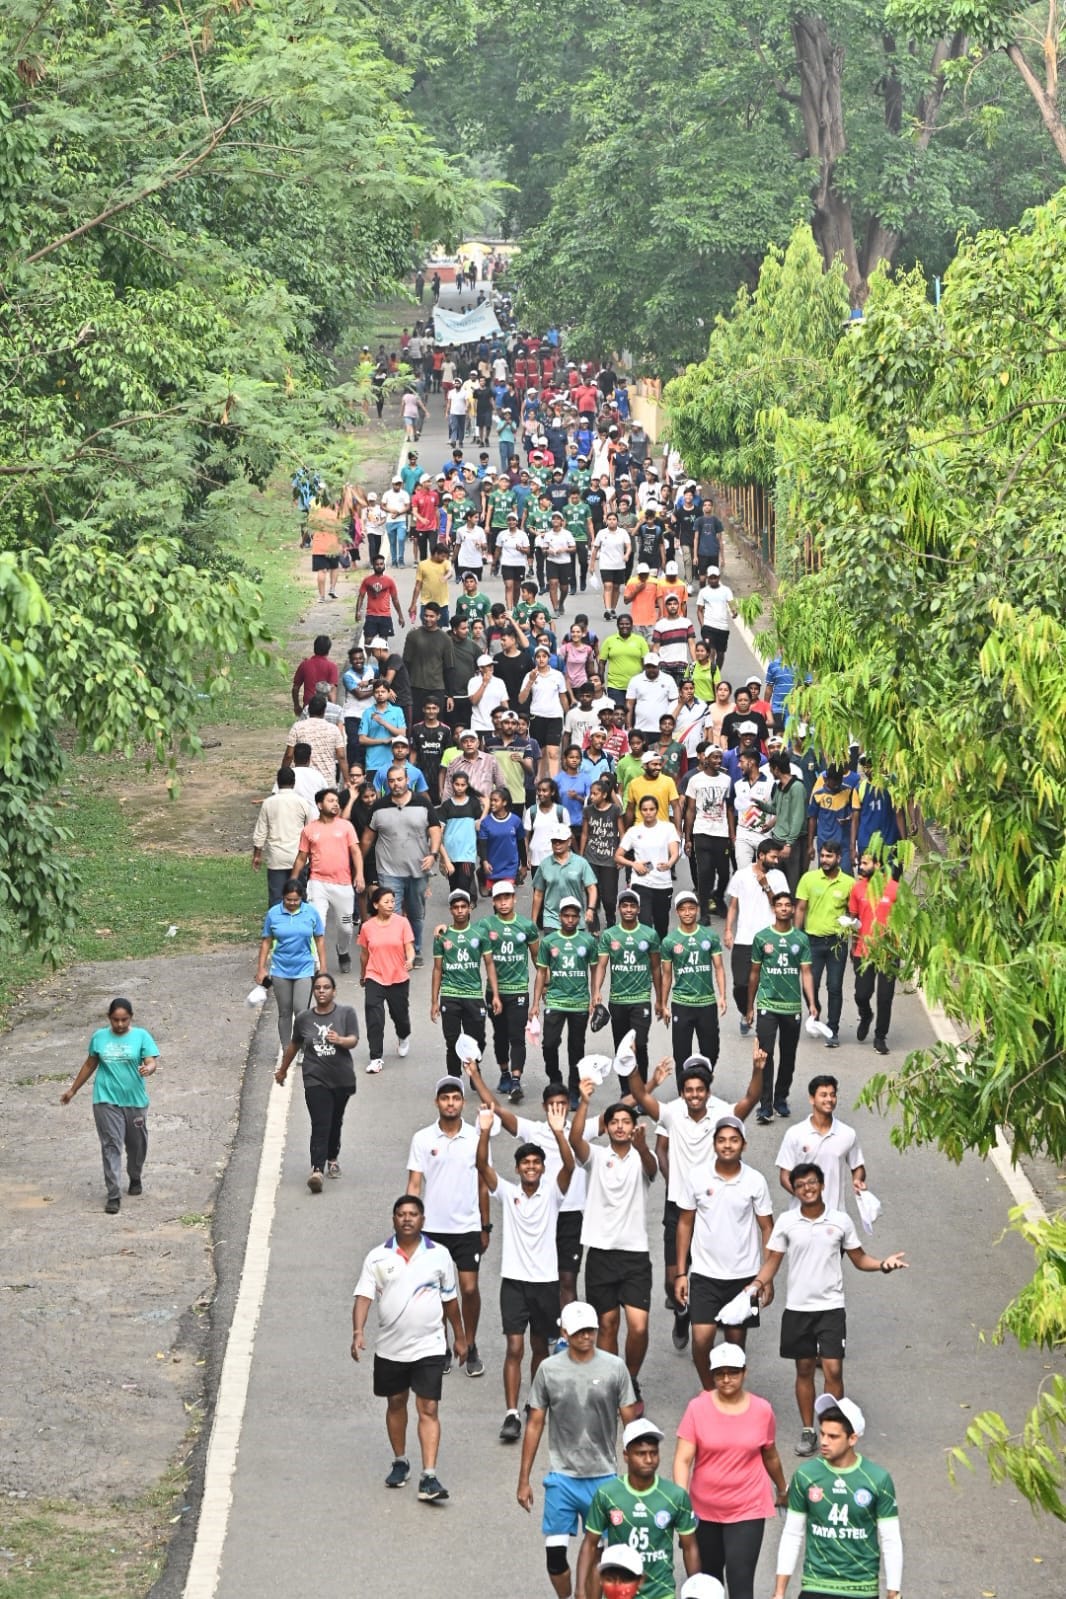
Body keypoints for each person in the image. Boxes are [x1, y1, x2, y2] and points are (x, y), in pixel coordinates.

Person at [749, 1163, 907, 1454]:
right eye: (800, 1185)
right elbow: (773, 1260)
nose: (807, 1188)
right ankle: (809, 1430)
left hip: (831, 1307)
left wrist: (883, 1265)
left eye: (812, 1183)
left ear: (822, 1186)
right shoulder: (786, 1221)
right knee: (805, 1368)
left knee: (833, 1369)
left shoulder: (840, 1221)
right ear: (794, 1190)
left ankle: (832, 1430)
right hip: (797, 1308)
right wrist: (758, 1283)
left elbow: (859, 1259)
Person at [629, 1055, 765, 1348]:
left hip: (709, 1207)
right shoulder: (671, 1113)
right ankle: (683, 1312)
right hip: (677, 1205)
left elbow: (752, 1098)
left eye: (699, 1089)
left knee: (712, 1269)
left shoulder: (721, 1114)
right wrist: (632, 1063)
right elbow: (640, 1095)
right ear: (681, 1092)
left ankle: (708, 1314)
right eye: (689, 1090)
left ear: (708, 1090)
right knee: (671, 1279)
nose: (694, 1095)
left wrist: (757, 1069)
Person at [517, 1300, 640, 1599]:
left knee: (598, 1557)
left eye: (590, 1330)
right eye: (579, 1331)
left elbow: (631, 1423)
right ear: (564, 1332)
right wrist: (524, 1479)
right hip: (562, 1477)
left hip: (604, 1478)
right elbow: (535, 1423)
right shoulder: (548, 1370)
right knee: (555, 1556)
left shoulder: (614, 1368)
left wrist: (638, 1479)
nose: (586, 1336)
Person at [351, 1195, 466, 1502]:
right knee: (396, 1402)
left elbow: (450, 1300)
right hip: (390, 1348)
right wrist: (358, 1330)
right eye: (401, 1214)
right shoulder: (377, 1257)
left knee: (428, 1407)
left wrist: (460, 1336)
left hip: (430, 1345)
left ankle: (429, 1476)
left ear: (422, 1220)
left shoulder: (439, 1256)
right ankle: (400, 1460)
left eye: (413, 1214)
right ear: (393, 1220)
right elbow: (364, 1296)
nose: (407, 1218)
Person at [476, 1100, 574, 1442]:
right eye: (525, 1163)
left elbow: (570, 1166)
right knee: (514, 1348)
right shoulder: (509, 1193)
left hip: (545, 1284)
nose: (531, 1167)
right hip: (514, 1283)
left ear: (542, 1169)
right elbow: (481, 1166)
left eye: (536, 1163)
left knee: (539, 1348)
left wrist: (560, 1133)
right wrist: (486, 1132)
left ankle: (535, 1403)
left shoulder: (553, 1195)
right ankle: (511, 1413)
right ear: (517, 1169)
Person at [673, 1346, 787, 1599]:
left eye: (733, 1372)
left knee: (741, 1582)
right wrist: (682, 1504)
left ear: (744, 1373)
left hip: (747, 1507)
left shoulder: (762, 1410)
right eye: (720, 1373)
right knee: (708, 1583)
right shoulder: (697, 1408)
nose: (726, 1379)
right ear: (712, 1376)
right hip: (704, 1509)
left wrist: (782, 1488)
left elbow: (770, 1454)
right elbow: (683, 1459)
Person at [569, 1079, 657, 1394]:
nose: (620, 1127)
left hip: (634, 1254)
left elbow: (651, 1169)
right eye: (614, 1122)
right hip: (601, 1254)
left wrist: (643, 1146)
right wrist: (584, 1101)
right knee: (606, 1325)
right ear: (607, 1128)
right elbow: (574, 1138)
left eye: (626, 1122)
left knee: (638, 1326)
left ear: (634, 1127)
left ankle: (629, 1377)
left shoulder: (641, 1157)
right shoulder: (595, 1157)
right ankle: (611, 1381)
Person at [674, 1116, 775, 1384]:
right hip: (705, 1274)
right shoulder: (697, 1177)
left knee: (736, 1343)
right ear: (714, 1145)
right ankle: (710, 1393)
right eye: (721, 1140)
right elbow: (685, 1223)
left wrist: (765, 1278)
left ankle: (731, 1391)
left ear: (744, 1144)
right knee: (701, 1339)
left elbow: (767, 1228)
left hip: (745, 1276)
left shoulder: (755, 1181)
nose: (727, 1146)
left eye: (733, 1140)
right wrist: (681, 1273)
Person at [772, 1395, 903, 1599]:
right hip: (816, 1585)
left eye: (833, 1437)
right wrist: (779, 1592)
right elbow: (792, 1534)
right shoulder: (805, 1476)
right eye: (822, 1434)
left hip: (862, 1588)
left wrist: (893, 1591)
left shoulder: (877, 1479)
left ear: (852, 1439)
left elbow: (891, 1539)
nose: (823, 1442)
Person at [406, 1075, 491, 1378]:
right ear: (437, 1103)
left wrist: (485, 1224)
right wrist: (410, 1225)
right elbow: (415, 1184)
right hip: (433, 1229)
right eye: (445, 1098)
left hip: (467, 1227)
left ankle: (470, 1342)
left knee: (468, 1289)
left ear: (462, 1103)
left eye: (455, 1098)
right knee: (437, 1292)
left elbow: (483, 1182)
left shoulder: (477, 1137)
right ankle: (442, 1345)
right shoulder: (423, 1140)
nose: (450, 1103)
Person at [578, 1421, 699, 1599]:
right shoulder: (607, 1494)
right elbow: (590, 1544)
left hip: (661, 1592)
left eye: (653, 1453)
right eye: (641, 1454)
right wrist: (580, 1590)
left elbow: (690, 1548)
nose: (649, 1459)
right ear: (626, 1455)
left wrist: (697, 1589)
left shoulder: (675, 1496)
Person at [61, 997, 160, 1214]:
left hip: (134, 1100)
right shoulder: (99, 1037)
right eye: (116, 1020)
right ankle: (113, 1194)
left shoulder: (141, 1036)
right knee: (111, 1145)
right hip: (105, 1100)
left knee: (137, 1145)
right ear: (109, 1018)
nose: (120, 1024)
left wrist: (148, 1068)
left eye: (124, 1019)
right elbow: (90, 1064)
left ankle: (135, 1175)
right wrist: (73, 1090)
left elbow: (151, 1060)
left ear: (131, 1018)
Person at [274, 974, 359, 1191]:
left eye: (326, 987)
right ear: (314, 992)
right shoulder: (304, 1018)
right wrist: (283, 1070)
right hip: (315, 1078)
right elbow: (294, 1044)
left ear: (334, 991)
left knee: (335, 1120)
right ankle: (317, 1170)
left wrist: (340, 1040)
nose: (322, 991)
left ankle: (332, 1158)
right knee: (320, 1122)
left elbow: (354, 1040)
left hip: (341, 1078)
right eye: (318, 988)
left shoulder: (346, 1013)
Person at [747, 889, 818, 1124]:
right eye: (780, 905)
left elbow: (806, 972)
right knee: (765, 1055)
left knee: (789, 1056)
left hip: (791, 1005)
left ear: (792, 909)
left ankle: (781, 1099)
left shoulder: (801, 939)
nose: (785, 908)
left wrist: (812, 1003)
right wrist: (750, 1007)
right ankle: (765, 1105)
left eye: (788, 905)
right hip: (767, 1004)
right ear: (774, 909)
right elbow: (754, 974)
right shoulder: (762, 938)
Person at [361, 764, 442, 966]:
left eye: (399, 779)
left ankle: (415, 950)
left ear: (407, 780)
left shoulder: (422, 803)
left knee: (415, 914)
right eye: (391, 781)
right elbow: (367, 839)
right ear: (387, 783)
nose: (396, 784)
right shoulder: (379, 807)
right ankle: (396, 953)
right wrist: (357, 866)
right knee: (391, 913)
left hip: (418, 870)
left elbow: (435, 830)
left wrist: (433, 854)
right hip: (389, 871)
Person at [589, 888, 662, 1086]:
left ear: (638, 909)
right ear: (619, 908)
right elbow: (602, 966)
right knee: (621, 1047)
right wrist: (596, 992)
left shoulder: (650, 934)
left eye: (632, 906)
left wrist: (660, 1000)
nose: (628, 909)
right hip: (617, 1000)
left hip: (641, 999)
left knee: (639, 1044)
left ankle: (641, 1089)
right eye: (625, 905)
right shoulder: (609, 935)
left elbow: (656, 968)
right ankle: (625, 1090)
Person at [533, 897, 599, 1105]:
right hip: (555, 1000)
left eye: (574, 916)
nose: (570, 920)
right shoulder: (549, 942)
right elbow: (541, 972)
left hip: (579, 1001)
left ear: (579, 918)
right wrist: (535, 1003)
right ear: (560, 917)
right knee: (549, 1044)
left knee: (576, 1048)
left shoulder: (587, 941)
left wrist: (594, 995)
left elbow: (595, 968)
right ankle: (555, 1080)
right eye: (566, 916)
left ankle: (573, 1091)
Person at [291, 788, 364, 975]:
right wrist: (292, 881)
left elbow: (356, 852)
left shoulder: (346, 827)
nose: (335, 804)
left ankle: (343, 951)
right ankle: (316, 965)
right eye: (331, 800)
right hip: (318, 883)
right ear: (319, 804)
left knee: (346, 927)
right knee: (317, 925)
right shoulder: (309, 830)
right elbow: (301, 857)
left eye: (337, 801)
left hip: (343, 884)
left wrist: (360, 875)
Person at [480, 880, 539, 1099]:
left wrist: (546, 985)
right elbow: (465, 935)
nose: (503, 903)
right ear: (494, 902)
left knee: (517, 1036)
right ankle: (504, 1072)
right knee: (500, 1035)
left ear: (514, 899)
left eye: (507, 898)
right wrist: (443, 930)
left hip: (518, 990)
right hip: (494, 991)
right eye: (499, 899)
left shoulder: (526, 926)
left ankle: (516, 1080)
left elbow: (536, 956)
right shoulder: (486, 925)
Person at [776, 1076, 866, 1215]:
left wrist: (858, 1180)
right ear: (812, 1099)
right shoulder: (795, 1133)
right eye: (823, 1095)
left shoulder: (847, 1134)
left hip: (835, 1216)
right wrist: (804, 1196)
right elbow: (784, 1176)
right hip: (800, 1216)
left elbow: (858, 1166)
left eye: (832, 1095)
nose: (829, 1099)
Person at [431, 889, 499, 1074]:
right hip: (450, 994)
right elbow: (437, 969)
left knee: (477, 1041)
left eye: (463, 907)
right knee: (452, 1042)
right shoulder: (442, 935)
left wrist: (496, 995)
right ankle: (454, 1080)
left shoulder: (480, 933)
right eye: (456, 907)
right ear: (451, 910)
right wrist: (434, 1001)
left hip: (474, 995)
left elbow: (489, 963)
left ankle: (474, 1071)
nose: (460, 910)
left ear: (470, 908)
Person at [723, 838, 789, 1029]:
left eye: (777, 858)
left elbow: (780, 907)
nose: (776, 861)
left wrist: (766, 886)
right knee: (740, 985)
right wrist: (728, 930)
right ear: (761, 855)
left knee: (769, 985)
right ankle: (746, 1011)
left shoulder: (779, 877)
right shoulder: (741, 875)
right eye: (773, 857)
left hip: (771, 939)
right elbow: (733, 906)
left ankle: (766, 1020)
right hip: (745, 939)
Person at [795, 841, 855, 1048]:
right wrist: (795, 935)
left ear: (839, 858)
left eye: (829, 856)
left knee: (835, 986)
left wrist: (851, 923)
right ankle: (816, 1011)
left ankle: (833, 1030)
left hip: (836, 943)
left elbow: (853, 912)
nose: (825, 860)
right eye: (823, 856)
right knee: (809, 986)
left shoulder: (849, 883)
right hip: (811, 942)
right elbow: (801, 908)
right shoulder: (809, 879)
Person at [660, 890, 727, 1070]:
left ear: (697, 909)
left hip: (707, 1003)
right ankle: (684, 1091)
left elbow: (719, 967)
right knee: (681, 1053)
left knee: (711, 1051)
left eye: (691, 908)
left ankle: (702, 1086)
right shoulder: (669, 941)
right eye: (683, 909)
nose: (687, 912)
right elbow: (667, 975)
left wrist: (722, 996)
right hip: (682, 1003)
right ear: (677, 912)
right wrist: (663, 1004)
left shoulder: (710, 936)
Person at [255, 878, 326, 1046]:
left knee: (301, 1011)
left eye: (296, 900)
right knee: (284, 1012)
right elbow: (266, 941)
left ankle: (301, 1047)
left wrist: (323, 967)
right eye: (288, 900)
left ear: (302, 898)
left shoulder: (311, 913)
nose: (292, 903)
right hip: (280, 969)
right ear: (283, 897)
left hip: (304, 968)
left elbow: (319, 940)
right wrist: (261, 968)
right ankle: (287, 1049)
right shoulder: (273, 914)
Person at [848, 851, 902, 1054]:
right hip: (863, 951)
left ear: (878, 865)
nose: (860, 866)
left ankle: (880, 1037)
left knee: (885, 997)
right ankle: (865, 1014)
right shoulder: (857, 888)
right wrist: (852, 948)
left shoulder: (895, 888)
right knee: (862, 994)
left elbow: (905, 919)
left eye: (865, 863)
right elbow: (853, 919)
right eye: (860, 862)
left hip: (889, 952)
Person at [357, 885, 414, 1073]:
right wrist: (363, 974)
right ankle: (376, 1057)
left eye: (393, 901)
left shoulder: (402, 923)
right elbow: (364, 954)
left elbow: (409, 948)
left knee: (400, 1016)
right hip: (375, 975)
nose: (391, 905)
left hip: (398, 976)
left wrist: (411, 960)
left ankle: (403, 1035)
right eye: (386, 901)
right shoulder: (367, 927)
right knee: (374, 1016)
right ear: (375, 904)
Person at [616, 794, 681, 940]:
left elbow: (675, 852)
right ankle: (647, 959)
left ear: (657, 810)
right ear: (640, 811)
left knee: (661, 926)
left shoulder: (668, 828)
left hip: (663, 883)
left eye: (651, 809)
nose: (648, 812)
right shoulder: (634, 831)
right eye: (645, 809)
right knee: (645, 925)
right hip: (641, 883)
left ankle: (660, 959)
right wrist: (634, 864)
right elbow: (618, 855)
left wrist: (669, 864)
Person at [252, 769, 316, 907]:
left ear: (278, 782)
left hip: (277, 857)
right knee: (299, 896)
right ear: (294, 783)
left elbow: (260, 832)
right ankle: (300, 925)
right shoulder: (302, 803)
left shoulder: (269, 803)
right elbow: (310, 831)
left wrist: (257, 855)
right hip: (298, 857)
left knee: (276, 899)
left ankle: (277, 926)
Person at [532, 823, 598, 931]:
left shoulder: (581, 863)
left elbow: (592, 888)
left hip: (575, 918)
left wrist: (590, 909)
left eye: (561, 840)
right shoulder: (544, 864)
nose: (557, 844)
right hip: (551, 919)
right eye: (554, 841)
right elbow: (538, 894)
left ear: (569, 841)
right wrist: (533, 921)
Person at [580, 777, 624, 930]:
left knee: (609, 897)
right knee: (592, 893)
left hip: (610, 859)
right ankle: (594, 927)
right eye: (591, 794)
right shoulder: (588, 810)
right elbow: (585, 834)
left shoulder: (615, 810)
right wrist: (581, 855)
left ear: (604, 795)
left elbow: (621, 834)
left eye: (595, 794)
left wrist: (621, 855)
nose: (592, 797)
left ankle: (611, 920)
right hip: (591, 857)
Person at [282, 693, 349, 787]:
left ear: (308, 710)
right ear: (324, 711)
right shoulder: (334, 729)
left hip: (303, 780)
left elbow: (289, 755)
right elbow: (341, 756)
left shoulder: (297, 727)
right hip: (327, 780)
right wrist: (347, 779)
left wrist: (283, 774)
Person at [402, 601, 454, 722]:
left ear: (438, 617)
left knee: (437, 721)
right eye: (426, 615)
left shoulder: (445, 639)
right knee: (416, 721)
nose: (428, 619)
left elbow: (449, 668)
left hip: (437, 688)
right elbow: (406, 663)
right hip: (416, 687)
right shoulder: (413, 635)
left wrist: (450, 695)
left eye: (431, 616)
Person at [359, 679, 408, 783]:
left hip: (394, 763)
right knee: (374, 796)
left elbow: (402, 734)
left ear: (389, 693)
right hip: (373, 763)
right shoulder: (367, 713)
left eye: (383, 691)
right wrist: (383, 741)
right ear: (373, 694)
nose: (380, 694)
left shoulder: (397, 711)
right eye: (377, 692)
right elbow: (362, 739)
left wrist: (382, 722)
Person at [356, 553, 405, 643]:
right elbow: (361, 596)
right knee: (368, 640)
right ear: (373, 565)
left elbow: (395, 600)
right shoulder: (367, 580)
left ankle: (382, 656)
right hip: (371, 615)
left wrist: (400, 616)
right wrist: (358, 611)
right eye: (377, 564)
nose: (379, 566)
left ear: (384, 565)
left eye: (381, 564)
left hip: (385, 616)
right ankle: (367, 656)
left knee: (383, 642)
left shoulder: (389, 581)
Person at [695, 568, 736, 664]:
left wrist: (734, 611)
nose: (713, 580)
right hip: (709, 627)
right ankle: (710, 676)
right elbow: (699, 610)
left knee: (721, 655)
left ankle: (716, 673)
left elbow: (731, 603)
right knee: (711, 651)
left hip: (722, 628)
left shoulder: (726, 590)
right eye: (711, 578)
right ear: (707, 578)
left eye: (715, 577)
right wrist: (703, 626)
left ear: (719, 577)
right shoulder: (703, 592)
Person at [291, 634, 338, 712]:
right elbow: (331, 691)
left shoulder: (305, 664)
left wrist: (296, 705)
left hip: (308, 706)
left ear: (314, 648)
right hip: (325, 707)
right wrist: (333, 710)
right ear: (328, 650)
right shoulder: (332, 667)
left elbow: (296, 688)